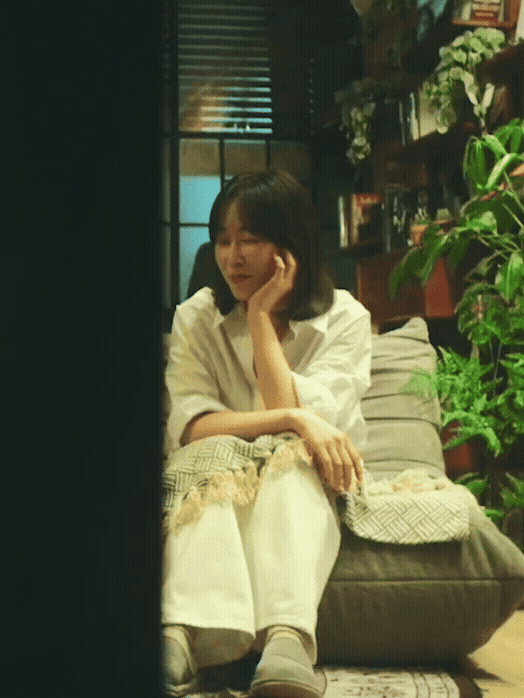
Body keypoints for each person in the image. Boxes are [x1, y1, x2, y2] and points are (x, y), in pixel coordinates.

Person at [163, 171, 372, 698]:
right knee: (213, 456)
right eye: (222, 240)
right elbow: (193, 426)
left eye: (250, 239)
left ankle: (286, 639)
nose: (231, 257)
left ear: (290, 246)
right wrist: (297, 419)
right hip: (215, 474)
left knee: (293, 457)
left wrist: (259, 316)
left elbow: (286, 416)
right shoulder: (196, 317)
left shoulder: (346, 318)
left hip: (309, 483)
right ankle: (181, 637)